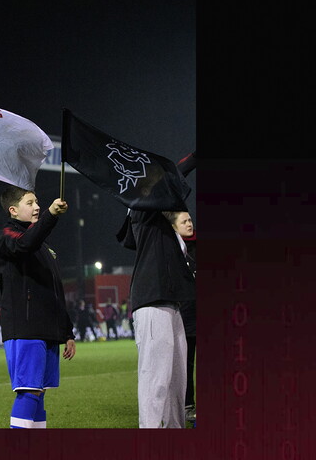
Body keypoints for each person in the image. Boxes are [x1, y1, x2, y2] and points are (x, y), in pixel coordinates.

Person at [116, 152, 196, 429]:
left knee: (177, 378)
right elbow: (171, 176)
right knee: (156, 378)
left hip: (170, 304)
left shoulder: (159, 222)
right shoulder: (142, 208)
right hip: (152, 302)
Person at [0, 186, 75, 429]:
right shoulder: (7, 236)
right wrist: (51, 214)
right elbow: (25, 243)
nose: (37, 206)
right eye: (30, 203)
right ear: (14, 210)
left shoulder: (43, 246)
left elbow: (55, 290)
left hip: (47, 329)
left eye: (37, 202)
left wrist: (67, 332)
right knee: (29, 391)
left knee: (39, 393)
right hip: (25, 328)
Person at [166, 210, 197, 425]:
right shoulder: (170, 249)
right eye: (184, 221)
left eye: (190, 220)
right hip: (185, 314)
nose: (189, 223)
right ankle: (187, 406)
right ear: (174, 226)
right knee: (186, 362)